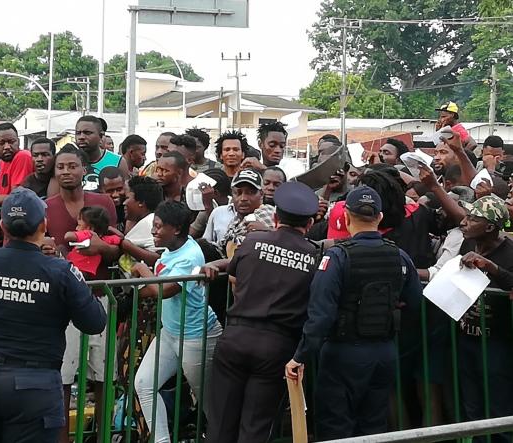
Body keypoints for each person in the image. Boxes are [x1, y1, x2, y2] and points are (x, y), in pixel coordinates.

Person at [0, 187, 106, 443]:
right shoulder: (61, 272)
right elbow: (94, 322)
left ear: (2, 226)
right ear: (44, 225)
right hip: (35, 387)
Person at [286, 186, 422, 440]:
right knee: (373, 425)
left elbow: (321, 315)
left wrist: (301, 355)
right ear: (380, 217)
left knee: (336, 425)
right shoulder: (400, 256)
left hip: (343, 353)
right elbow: (414, 303)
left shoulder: (337, 258)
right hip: (384, 352)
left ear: (346, 216)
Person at [203, 181, 319, 443]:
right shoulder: (313, 255)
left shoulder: (253, 242)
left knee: (220, 424)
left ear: (275, 218)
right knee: (256, 427)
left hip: (236, 336)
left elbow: (235, 272)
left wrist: (212, 263)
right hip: (277, 346)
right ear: (310, 224)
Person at [43, 145, 119, 443]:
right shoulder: (46, 206)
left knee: (105, 375)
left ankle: (102, 436)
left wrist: (104, 248)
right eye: (60, 166)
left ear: (84, 169)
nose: (65, 171)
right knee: (62, 375)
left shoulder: (103, 203)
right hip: (60, 302)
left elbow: (117, 245)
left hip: (100, 296)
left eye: (71, 166)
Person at [131, 201, 222, 443]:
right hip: (170, 331)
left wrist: (140, 270)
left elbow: (165, 290)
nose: (153, 231)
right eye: (154, 225)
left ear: (177, 229)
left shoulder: (191, 255)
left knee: (208, 403)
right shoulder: (173, 247)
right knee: (143, 383)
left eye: (159, 227)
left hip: (196, 337)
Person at [456, 196, 513, 441]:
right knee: (472, 407)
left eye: (472, 219)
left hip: (497, 342)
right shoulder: (466, 246)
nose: (464, 223)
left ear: (490, 227)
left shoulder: (509, 253)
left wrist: (491, 267)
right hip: (466, 337)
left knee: (498, 408)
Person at [218, 169, 275, 257]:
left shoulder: (269, 214)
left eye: (250, 192)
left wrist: (270, 232)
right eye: (238, 193)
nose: (243, 198)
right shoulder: (235, 221)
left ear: (261, 194)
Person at [119, 175, 164, 272]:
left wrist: (125, 244)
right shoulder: (147, 220)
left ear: (141, 202)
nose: (124, 203)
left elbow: (159, 259)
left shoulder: (150, 222)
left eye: (127, 198)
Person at [64, 206, 122, 278]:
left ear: (90, 228)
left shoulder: (88, 234)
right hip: (88, 273)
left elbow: (67, 236)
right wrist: (110, 229)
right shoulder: (106, 239)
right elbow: (121, 238)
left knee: (61, 248)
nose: (76, 228)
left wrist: (77, 234)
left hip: (78, 270)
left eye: (79, 225)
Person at [75, 115, 121, 191]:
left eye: (87, 133)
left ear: (101, 136)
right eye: (78, 133)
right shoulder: (66, 162)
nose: (81, 137)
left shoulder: (118, 161)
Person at [190, 168, 232, 239]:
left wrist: (208, 206)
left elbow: (220, 235)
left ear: (215, 193)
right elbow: (190, 234)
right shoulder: (205, 212)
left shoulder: (234, 207)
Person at [98, 166, 126, 231]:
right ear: (100, 189)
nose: (115, 195)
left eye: (119, 189)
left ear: (125, 185)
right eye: (110, 191)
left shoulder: (132, 202)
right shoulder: (94, 207)